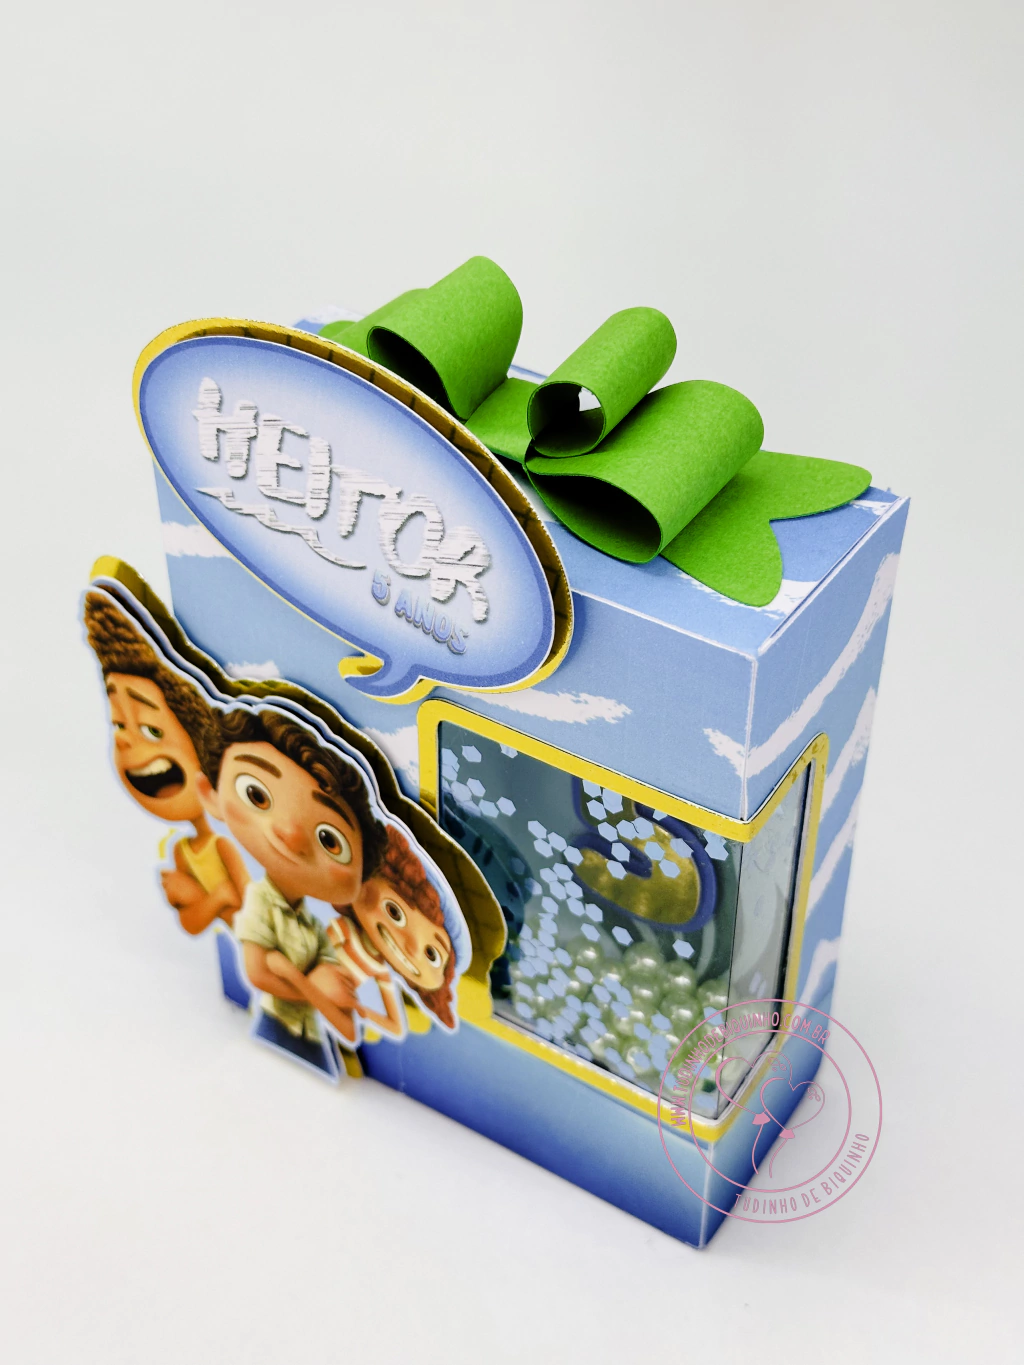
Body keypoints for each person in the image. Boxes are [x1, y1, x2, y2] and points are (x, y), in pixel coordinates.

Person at [196, 705, 388, 1075]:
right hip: (275, 1029)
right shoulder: (259, 901)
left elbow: (347, 1023)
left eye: (330, 840)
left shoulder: (314, 930)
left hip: (314, 1042)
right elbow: (257, 974)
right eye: (257, 795)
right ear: (210, 793)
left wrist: (295, 977)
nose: (290, 834)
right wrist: (314, 989)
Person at [83, 590, 249, 938]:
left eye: (151, 729)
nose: (125, 741)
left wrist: (207, 899)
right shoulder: (181, 851)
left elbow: (248, 910)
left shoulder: (228, 844)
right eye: (118, 724)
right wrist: (214, 897)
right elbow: (192, 922)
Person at [326, 823, 458, 1037]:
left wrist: (360, 1011)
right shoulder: (344, 929)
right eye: (394, 912)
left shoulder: (379, 969)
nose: (412, 948)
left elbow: (396, 1027)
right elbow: (309, 957)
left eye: (431, 954)